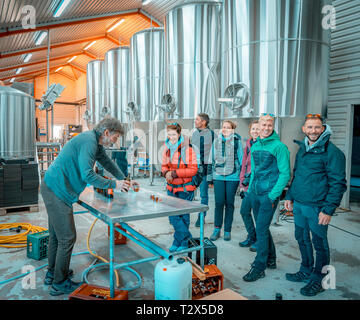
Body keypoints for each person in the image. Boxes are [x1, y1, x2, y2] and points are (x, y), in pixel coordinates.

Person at [40, 117, 139, 296]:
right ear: (106, 133)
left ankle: (52, 274)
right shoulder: (89, 142)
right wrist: (114, 185)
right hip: (56, 190)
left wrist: (123, 179)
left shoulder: (95, 143)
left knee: (57, 235)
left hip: (54, 187)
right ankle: (59, 283)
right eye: (115, 137)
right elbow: (87, 175)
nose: (115, 142)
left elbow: (107, 163)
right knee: (67, 237)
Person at [284, 114, 347, 297]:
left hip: (317, 207)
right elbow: (297, 175)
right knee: (301, 238)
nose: (313, 131)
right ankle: (306, 269)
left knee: (319, 243)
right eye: (309, 127)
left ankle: (320, 279)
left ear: (323, 128)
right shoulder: (302, 148)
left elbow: (338, 184)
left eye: (317, 127)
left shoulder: (333, 152)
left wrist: (328, 209)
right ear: (304, 129)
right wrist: (289, 195)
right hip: (300, 205)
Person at [243, 113, 291, 282]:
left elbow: (285, 174)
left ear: (273, 126)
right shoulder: (255, 146)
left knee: (261, 229)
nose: (266, 128)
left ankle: (259, 266)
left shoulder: (279, 147)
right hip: (254, 193)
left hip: (269, 195)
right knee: (262, 228)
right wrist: (249, 190)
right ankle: (271, 259)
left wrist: (272, 196)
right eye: (264, 125)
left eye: (269, 125)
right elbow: (254, 171)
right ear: (259, 125)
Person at [161, 122, 198, 252]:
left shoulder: (188, 149)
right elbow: (164, 165)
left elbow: (193, 170)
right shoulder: (166, 148)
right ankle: (186, 238)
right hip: (171, 187)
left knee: (183, 216)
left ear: (179, 134)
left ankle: (180, 241)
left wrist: (174, 173)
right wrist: (166, 173)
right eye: (169, 134)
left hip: (185, 188)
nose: (171, 137)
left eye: (173, 134)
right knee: (172, 216)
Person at [208, 120, 243, 242]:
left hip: (232, 178)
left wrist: (241, 177)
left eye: (228, 127)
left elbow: (242, 159)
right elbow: (211, 159)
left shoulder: (237, 142)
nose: (225, 129)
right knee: (218, 203)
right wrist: (210, 177)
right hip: (218, 177)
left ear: (233, 129)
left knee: (229, 203)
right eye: (224, 127)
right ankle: (217, 229)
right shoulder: (216, 141)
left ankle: (227, 230)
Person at [191, 113, 216, 227]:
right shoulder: (195, 134)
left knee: (204, 195)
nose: (195, 121)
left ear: (204, 122)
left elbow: (215, 154)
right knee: (188, 193)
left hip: (205, 170)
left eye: (197, 119)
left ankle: (201, 217)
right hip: (194, 169)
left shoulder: (212, 135)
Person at [238, 120, 260, 249]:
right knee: (244, 211)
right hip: (247, 185)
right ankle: (252, 236)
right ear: (250, 131)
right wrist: (242, 183)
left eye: (258, 129)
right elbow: (244, 165)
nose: (255, 131)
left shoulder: (262, 145)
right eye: (253, 129)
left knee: (258, 216)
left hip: (257, 186)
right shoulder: (248, 143)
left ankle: (259, 240)